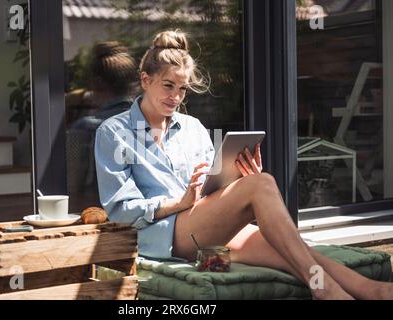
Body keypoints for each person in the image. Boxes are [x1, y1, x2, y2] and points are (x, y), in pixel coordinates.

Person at [94, 29, 393, 300]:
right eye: (168, 86)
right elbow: (120, 209)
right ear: (145, 80)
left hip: (206, 232)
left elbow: (211, 186)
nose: (176, 97)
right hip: (162, 235)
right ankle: (324, 291)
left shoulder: (193, 127)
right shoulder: (114, 132)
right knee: (262, 185)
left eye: (183, 89)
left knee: (291, 250)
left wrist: (236, 179)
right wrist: (177, 203)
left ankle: (373, 290)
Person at [67, 41, 139, 193]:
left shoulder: (85, 128)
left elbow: (72, 184)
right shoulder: (149, 123)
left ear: (96, 84)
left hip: (97, 209)